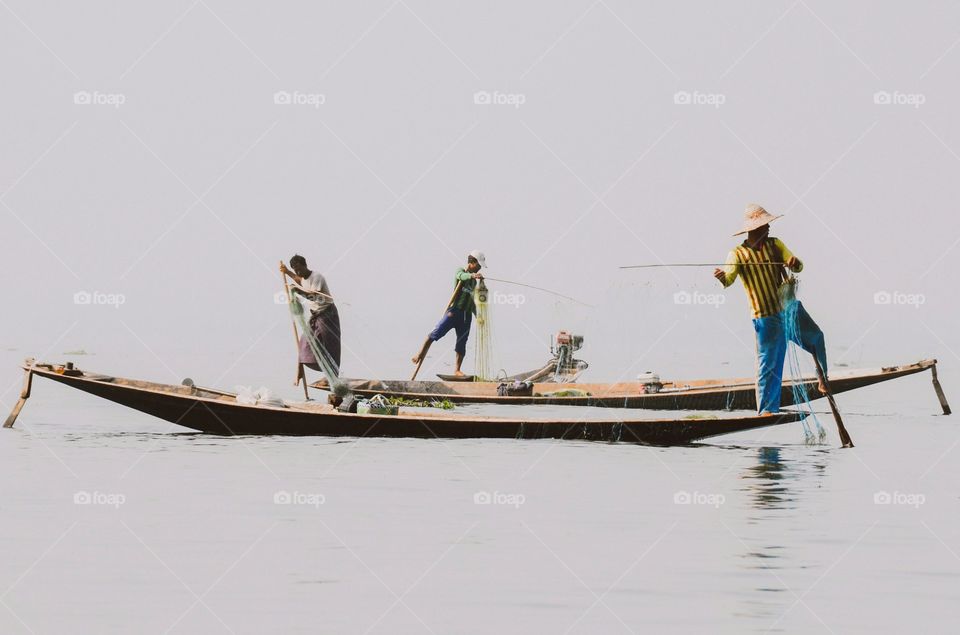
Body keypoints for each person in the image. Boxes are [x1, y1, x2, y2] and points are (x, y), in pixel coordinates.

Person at [713, 204, 827, 414]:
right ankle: (767, 410)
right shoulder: (737, 254)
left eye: (767, 224)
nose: (768, 228)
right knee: (769, 366)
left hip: (788, 310)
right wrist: (722, 277)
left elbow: (798, 266)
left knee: (816, 337)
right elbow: (728, 279)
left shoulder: (775, 245)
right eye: (764, 225)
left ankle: (823, 378)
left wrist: (794, 262)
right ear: (753, 229)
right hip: (765, 318)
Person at [411, 251, 486, 377]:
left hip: (466, 316)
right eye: (478, 265)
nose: (480, 268)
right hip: (454, 312)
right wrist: (472, 275)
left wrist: (477, 315)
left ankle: (457, 370)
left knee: (462, 343)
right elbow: (461, 276)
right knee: (435, 333)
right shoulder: (461, 271)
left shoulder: (474, 282)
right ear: (472, 262)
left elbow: (471, 301)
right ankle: (419, 354)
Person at [280, 255, 341, 376]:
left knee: (329, 344)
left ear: (305, 265)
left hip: (328, 314)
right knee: (304, 341)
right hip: (315, 315)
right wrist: (287, 271)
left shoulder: (316, 277)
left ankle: (333, 376)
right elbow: (299, 280)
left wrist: (297, 291)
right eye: (295, 270)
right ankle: (300, 371)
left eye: (299, 269)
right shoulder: (303, 278)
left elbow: (314, 296)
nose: (298, 272)